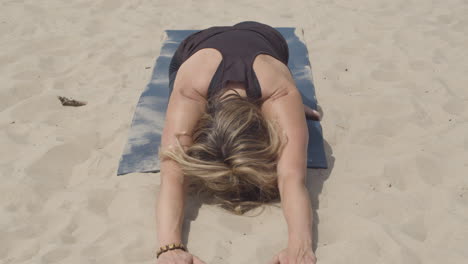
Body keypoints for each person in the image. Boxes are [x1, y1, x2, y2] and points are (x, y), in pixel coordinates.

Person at [155, 21, 320, 264]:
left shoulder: (279, 91)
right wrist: (168, 248)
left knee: (284, 97)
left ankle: (285, 109)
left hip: (265, 39)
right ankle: (286, 111)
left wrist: (300, 244)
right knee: (182, 123)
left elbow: (291, 177)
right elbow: (172, 175)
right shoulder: (189, 90)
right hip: (196, 49)